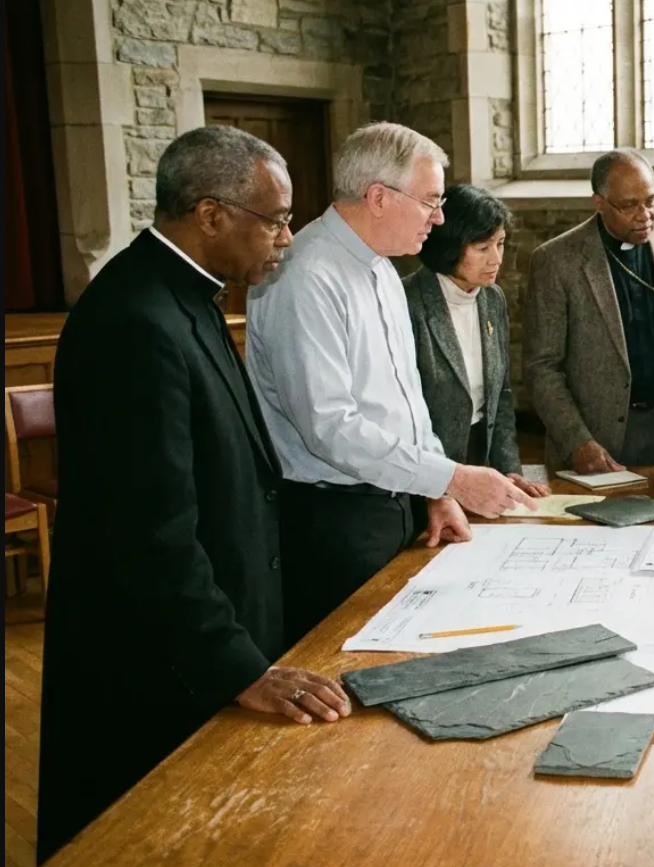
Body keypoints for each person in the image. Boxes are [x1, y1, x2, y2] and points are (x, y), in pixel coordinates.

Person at [38, 127, 350, 861]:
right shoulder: (133, 322)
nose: (286, 237)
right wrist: (241, 668)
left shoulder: (187, 293)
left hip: (200, 637)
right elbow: (151, 537)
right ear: (210, 214)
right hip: (154, 662)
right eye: (275, 219)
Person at [248, 122, 536, 643]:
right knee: (345, 664)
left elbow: (408, 399)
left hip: (395, 501)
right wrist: (449, 477)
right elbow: (330, 428)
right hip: (335, 517)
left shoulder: (381, 265)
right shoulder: (305, 275)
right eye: (431, 201)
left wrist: (434, 492)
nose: (439, 218)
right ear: (379, 198)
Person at [525, 150, 654, 472]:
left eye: (652, 201)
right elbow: (541, 367)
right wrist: (577, 441)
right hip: (595, 435)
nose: (645, 215)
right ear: (599, 203)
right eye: (629, 205)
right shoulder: (556, 260)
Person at [404, 183, 548, 497]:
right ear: (450, 246)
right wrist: (440, 489)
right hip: (425, 475)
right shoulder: (408, 302)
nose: (496, 259)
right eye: (483, 248)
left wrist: (510, 472)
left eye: (501, 244)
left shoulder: (492, 299)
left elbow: (501, 397)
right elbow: (405, 416)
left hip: (479, 461)